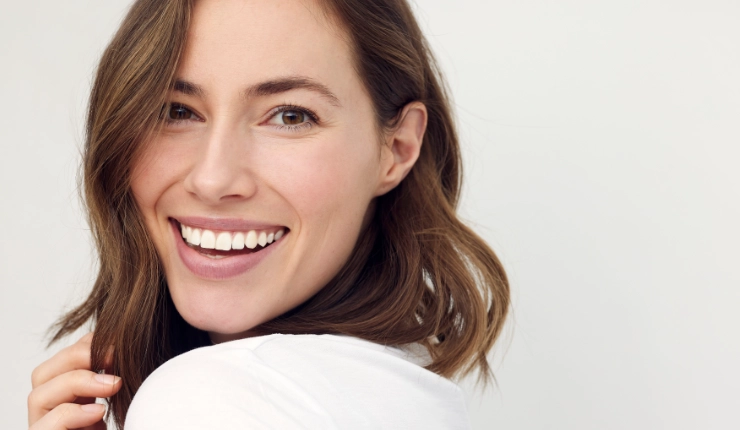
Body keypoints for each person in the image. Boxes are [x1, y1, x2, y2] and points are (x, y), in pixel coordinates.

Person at [27, 0, 510, 428]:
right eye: (176, 110)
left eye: (290, 116)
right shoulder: (396, 388)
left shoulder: (210, 399)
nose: (213, 180)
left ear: (398, 148)